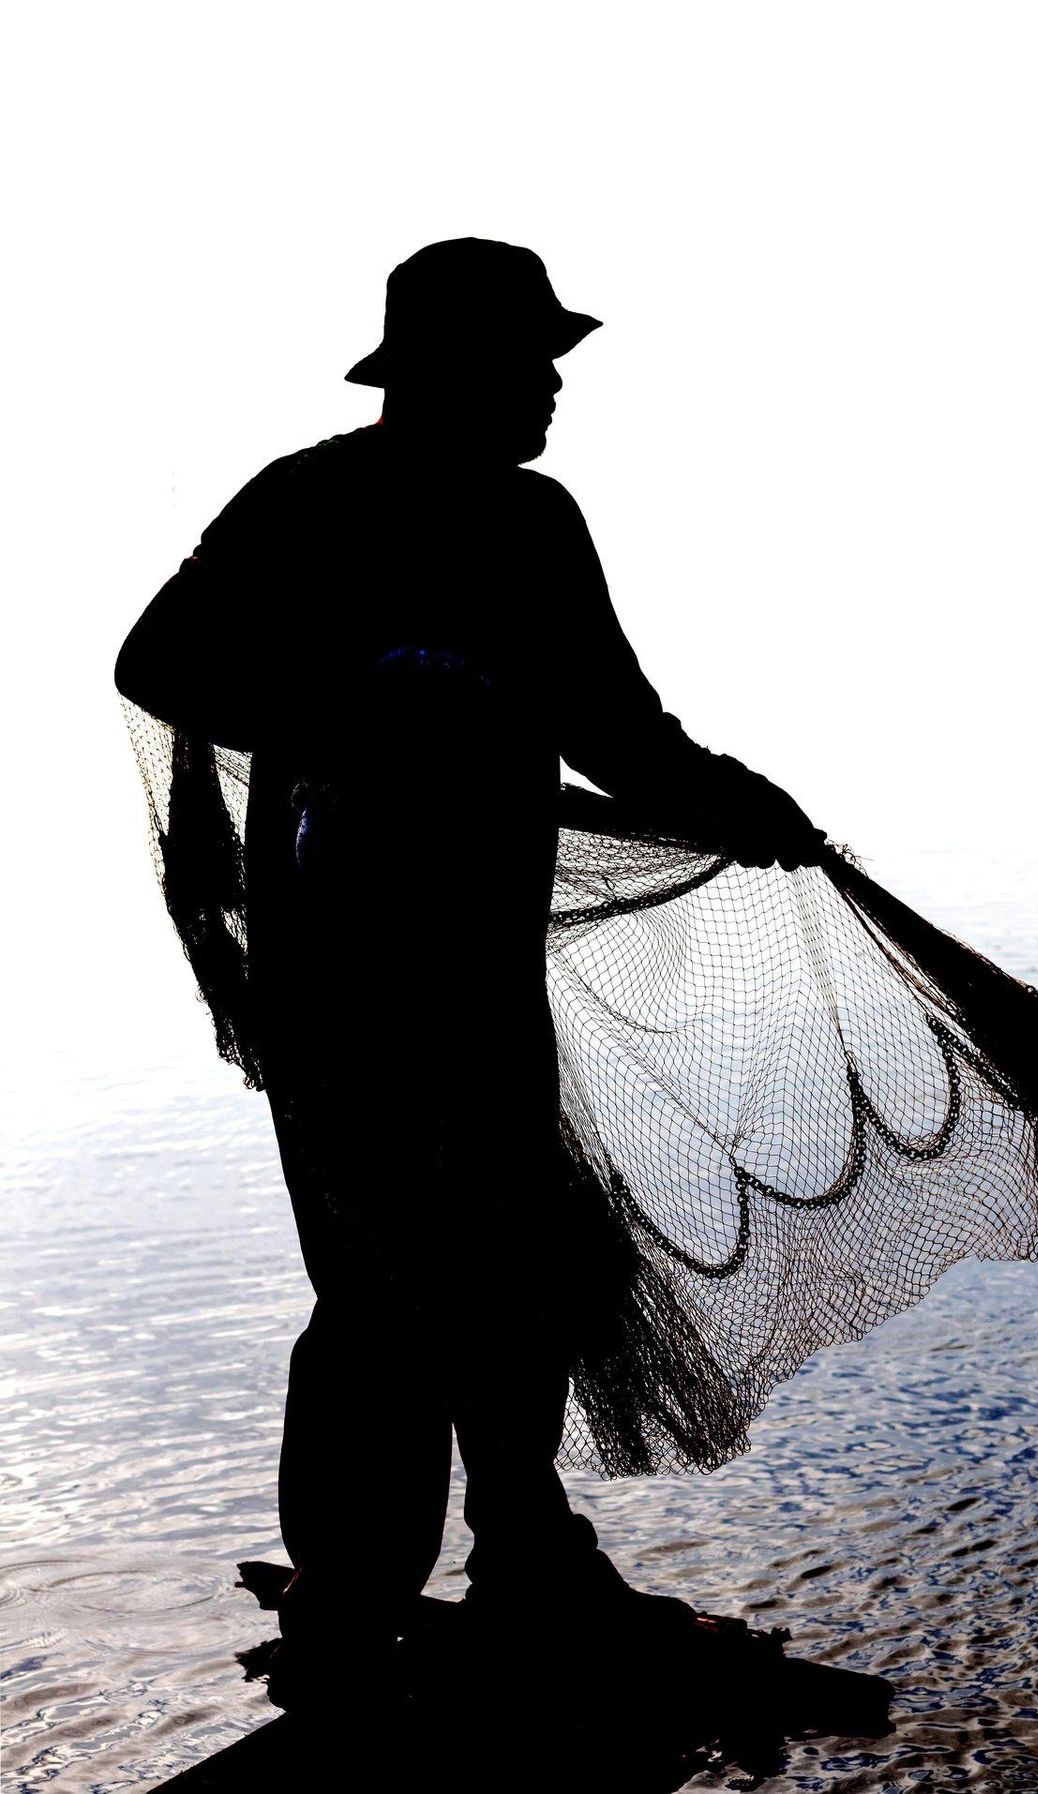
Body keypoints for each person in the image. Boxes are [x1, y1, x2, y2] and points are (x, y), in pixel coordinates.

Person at [114, 238, 825, 1683]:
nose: (555, 383)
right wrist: (356, 695)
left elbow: (617, 730)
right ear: (441, 373)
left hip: (481, 971)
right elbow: (156, 664)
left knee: (518, 1261)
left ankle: (520, 1553)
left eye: (551, 359)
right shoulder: (303, 501)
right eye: (527, 360)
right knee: (377, 1287)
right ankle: (352, 1587)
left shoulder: (536, 525)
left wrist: (737, 801)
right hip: (334, 973)